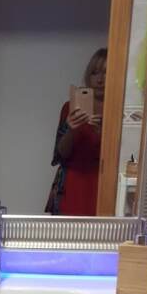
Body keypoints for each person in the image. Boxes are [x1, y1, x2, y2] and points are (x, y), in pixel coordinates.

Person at [46, 48, 107, 216]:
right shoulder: (70, 107)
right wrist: (72, 131)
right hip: (73, 182)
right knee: (68, 230)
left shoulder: (121, 110)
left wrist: (102, 132)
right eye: (95, 73)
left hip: (104, 184)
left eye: (106, 73)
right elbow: (60, 154)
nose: (100, 79)